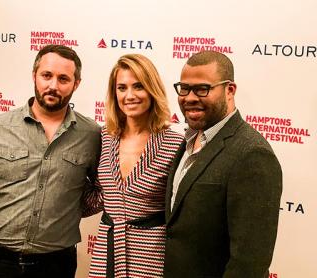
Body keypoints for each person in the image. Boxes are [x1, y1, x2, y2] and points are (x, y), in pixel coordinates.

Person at [0, 44, 101, 278]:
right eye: (46, 75)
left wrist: (67, 207)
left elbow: (107, 188)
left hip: (56, 266)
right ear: (34, 76)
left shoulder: (91, 135)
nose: (53, 86)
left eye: (63, 79)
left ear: (76, 83)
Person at [164, 50, 282, 277]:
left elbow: (249, 262)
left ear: (230, 90)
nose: (189, 97)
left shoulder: (252, 154)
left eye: (202, 89)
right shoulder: (189, 139)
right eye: (184, 88)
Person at [87, 54, 184, 278]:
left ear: (152, 89)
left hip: (153, 258)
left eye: (138, 86)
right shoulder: (103, 137)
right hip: (106, 255)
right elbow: (94, 196)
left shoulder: (175, 143)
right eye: (122, 88)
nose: (129, 95)